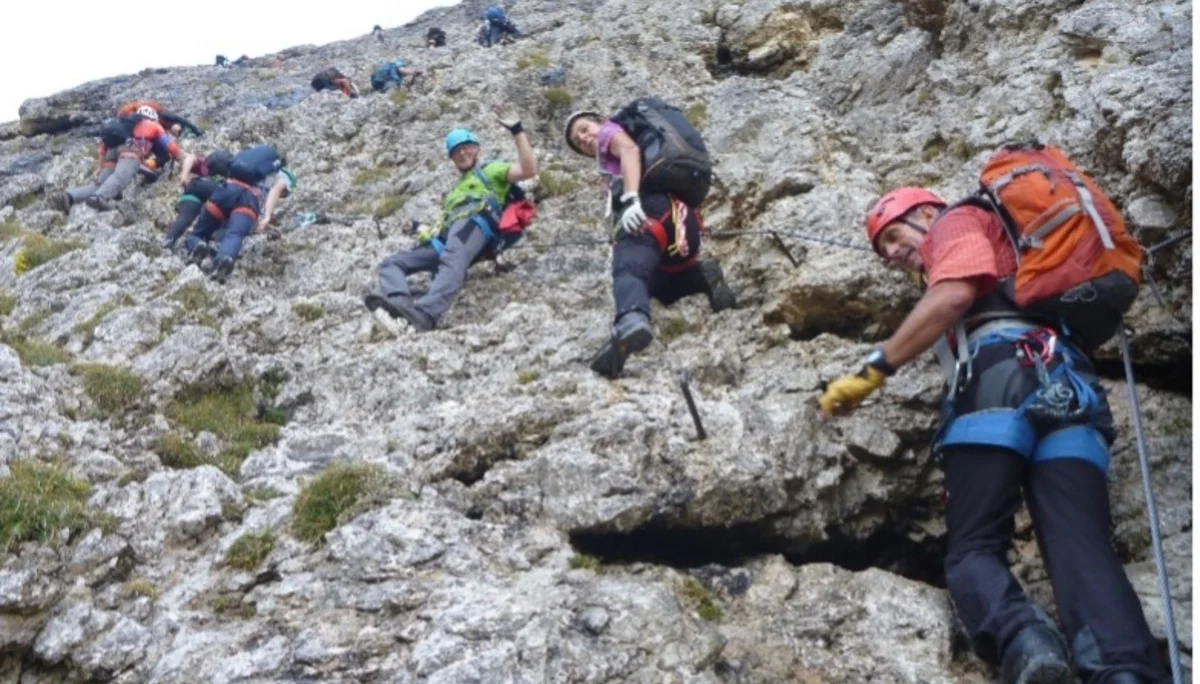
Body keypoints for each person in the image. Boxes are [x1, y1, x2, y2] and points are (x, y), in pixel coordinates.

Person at [817, 185, 1168, 684]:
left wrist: (874, 369)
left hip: (1000, 377)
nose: (892, 254)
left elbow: (956, 292)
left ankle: (1025, 639)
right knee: (1081, 545)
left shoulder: (955, 222)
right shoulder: (1013, 247)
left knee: (972, 548)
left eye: (894, 235)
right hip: (1071, 385)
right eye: (883, 251)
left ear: (926, 212)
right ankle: (1124, 671)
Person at [564, 107, 735, 378]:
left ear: (600, 122)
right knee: (655, 284)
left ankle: (630, 319)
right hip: (682, 225)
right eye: (577, 142)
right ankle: (699, 277)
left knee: (629, 266)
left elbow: (629, 151)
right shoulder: (619, 160)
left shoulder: (611, 131)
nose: (583, 139)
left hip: (650, 214)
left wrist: (631, 199)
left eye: (584, 130)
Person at [364, 104, 537, 331]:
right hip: (448, 235)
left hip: (475, 224)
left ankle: (425, 315)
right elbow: (444, 225)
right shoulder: (455, 191)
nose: (463, 153)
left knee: (454, 258)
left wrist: (517, 130)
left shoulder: (491, 170)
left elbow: (528, 170)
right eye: (456, 151)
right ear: (452, 158)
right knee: (392, 264)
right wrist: (421, 228)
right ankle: (399, 308)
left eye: (467, 147)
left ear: (478, 149)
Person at [182, 144, 295, 282]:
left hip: (226, 191)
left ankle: (197, 244)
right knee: (235, 234)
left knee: (198, 233)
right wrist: (266, 217)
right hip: (249, 200)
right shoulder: (279, 175)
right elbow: (276, 190)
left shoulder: (247, 159)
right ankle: (225, 258)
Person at [51, 106, 185, 213]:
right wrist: (182, 158)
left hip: (111, 152)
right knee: (121, 176)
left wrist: (100, 166)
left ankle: (69, 196)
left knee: (99, 184)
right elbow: (169, 145)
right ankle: (100, 197)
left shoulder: (123, 123)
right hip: (129, 151)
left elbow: (102, 148)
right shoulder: (152, 125)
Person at [162, 148, 233, 250]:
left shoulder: (204, 162)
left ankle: (168, 240)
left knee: (184, 218)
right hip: (216, 189)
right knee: (224, 213)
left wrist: (184, 177)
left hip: (195, 186)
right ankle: (213, 243)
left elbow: (190, 158)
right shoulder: (232, 171)